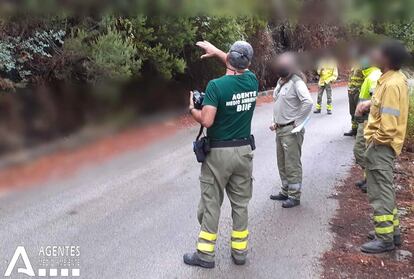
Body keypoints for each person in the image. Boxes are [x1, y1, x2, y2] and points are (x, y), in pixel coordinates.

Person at [184, 40, 258, 268]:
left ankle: (205, 255)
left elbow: (207, 120)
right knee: (240, 203)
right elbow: (237, 63)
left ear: (230, 60)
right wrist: (217, 52)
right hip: (244, 152)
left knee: (211, 202)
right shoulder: (252, 80)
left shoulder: (216, 87)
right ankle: (240, 251)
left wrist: (193, 109)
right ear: (247, 62)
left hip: (219, 154)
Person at [356, 40, 409, 253]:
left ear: (386, 58)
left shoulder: (391, 84)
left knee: (379, 192)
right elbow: (383, 107)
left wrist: (373, 142)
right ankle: (392, 232)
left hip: (381, 146)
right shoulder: (390, 80)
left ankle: (384, 237)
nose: (374, 54)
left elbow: (388, 126)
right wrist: (369, 104)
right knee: (385, 188)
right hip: (383, 145)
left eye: (378, 52)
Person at [269, 53, 313, 208]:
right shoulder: (280, 82)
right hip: (280, 129)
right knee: (282, 162)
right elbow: (279, 104)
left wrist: (298, 121)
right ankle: (285, 190)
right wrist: (275, 122)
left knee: (292, 164)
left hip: (291, 130)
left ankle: (294, 196)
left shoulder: (296, 82)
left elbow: (308, 102)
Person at [353, 57, 382, 193]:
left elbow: (375, 101)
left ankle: (371, 179)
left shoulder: (374, 76)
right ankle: (368, 178)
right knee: (363, 151)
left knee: (361, 151)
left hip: (368, 120)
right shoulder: (369, 75)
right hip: (365, 119)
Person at [344, 65, 364, 136]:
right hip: (351, 91)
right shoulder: (354, 63)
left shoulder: (365, 62)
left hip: (358, 91)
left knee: (359, 111)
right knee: (352, 112)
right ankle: (354, 129)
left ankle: (360, 132)